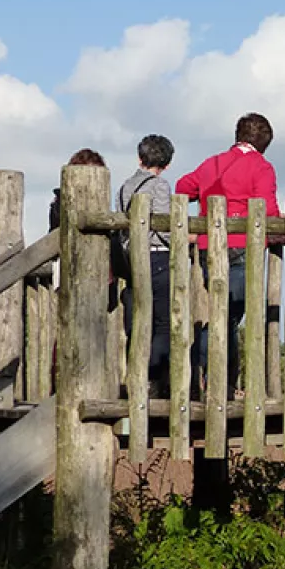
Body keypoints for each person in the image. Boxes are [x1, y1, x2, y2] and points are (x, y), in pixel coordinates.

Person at [175, 113, 280, 399]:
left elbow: (183, 186)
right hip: (243, 246)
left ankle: (216, 379)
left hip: (209, 246)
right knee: (229, 317)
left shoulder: (212, 163)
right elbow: (268, 210)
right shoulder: (262, 167)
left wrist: (204, 197)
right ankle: (212, 373)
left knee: (221, 312)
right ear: (264, 143)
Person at [117, 134, 176, 398]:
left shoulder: (124, 187)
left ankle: (136, 376)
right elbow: (164, 227)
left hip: (132, 259)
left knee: (138, 319)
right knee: (162, 323)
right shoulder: (160, 186)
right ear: (167, 164)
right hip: (157, 257)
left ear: (140, 158)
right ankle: (154, 381)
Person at [49, 148, 107, 392]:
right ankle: (61, 385)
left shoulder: (62, 202)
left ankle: (84, 383)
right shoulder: (60, 203)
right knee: (69, 325)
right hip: (69, 267)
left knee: (90, 327)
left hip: (92, 268)